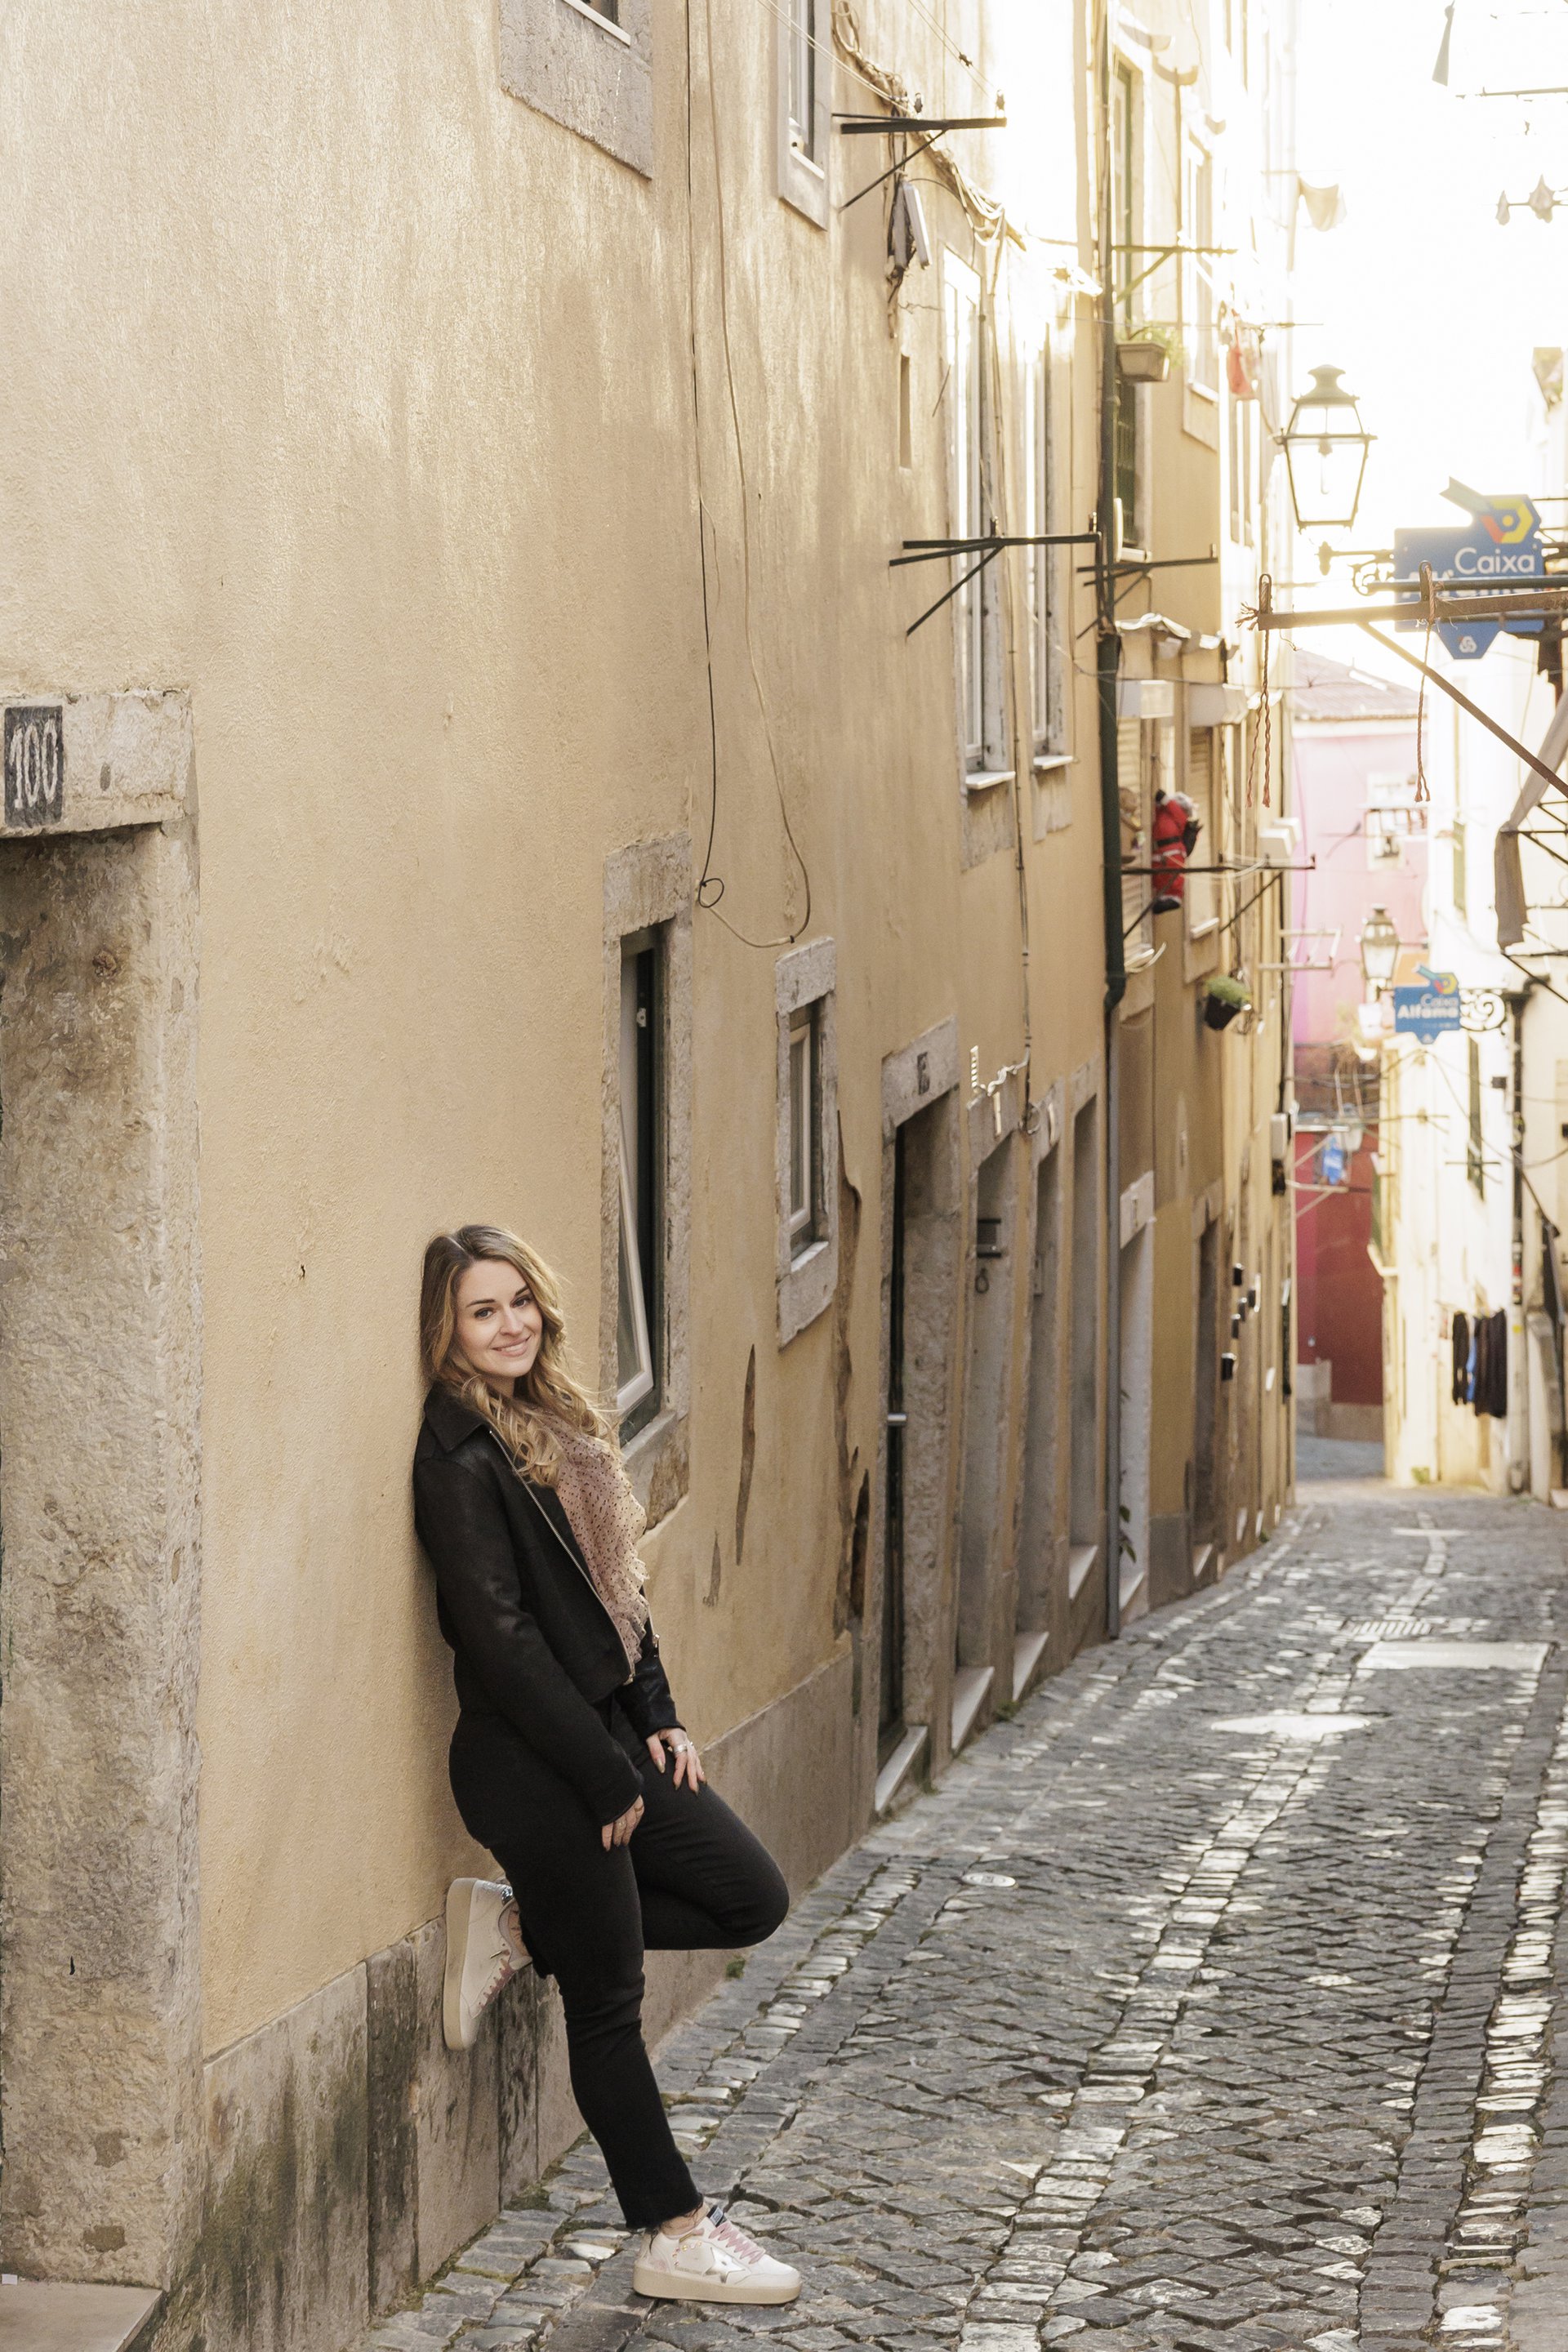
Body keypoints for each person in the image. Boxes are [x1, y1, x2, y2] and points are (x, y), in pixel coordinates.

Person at [413, 1225, 800, 2306]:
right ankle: (674, 2233)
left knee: (750, 1896)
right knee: (607, 2002)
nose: (510, 1325)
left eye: (520, 1301)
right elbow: (502, 1644)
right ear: (448, 1330)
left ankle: (523, 1929)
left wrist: (657, 1721)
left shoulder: (556, 1425)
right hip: (535, 1764)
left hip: (610, 1740)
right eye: (482, 1311)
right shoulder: (456, 1459)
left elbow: (616, 1591)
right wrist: (604, 1775)